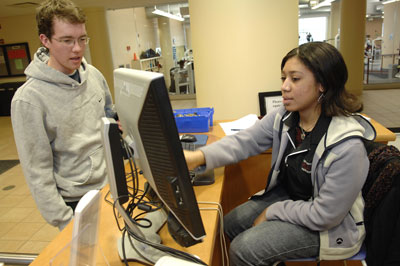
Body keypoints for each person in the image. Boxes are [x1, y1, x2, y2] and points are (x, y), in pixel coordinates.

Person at [185, 42, 376, 265]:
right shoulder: (285, 116)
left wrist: (273, 211)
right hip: (295, 198)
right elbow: (244, 141)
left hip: (330, 227)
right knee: (229, 223)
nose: (285, 86)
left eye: (295, 79)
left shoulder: (346, 146)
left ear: (322, 84)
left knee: (244, 249)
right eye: (283, 78)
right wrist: (198, 157)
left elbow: (325, 215)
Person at [11, 0, 115, 230]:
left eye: (82, 39)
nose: (77, 48)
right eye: (67, 40)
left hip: (110, 187)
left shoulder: (94, 75)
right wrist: (67, 223)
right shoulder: (28, 99)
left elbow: (110, 116)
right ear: (45, 40)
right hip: (76, 203)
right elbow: (38, 173)